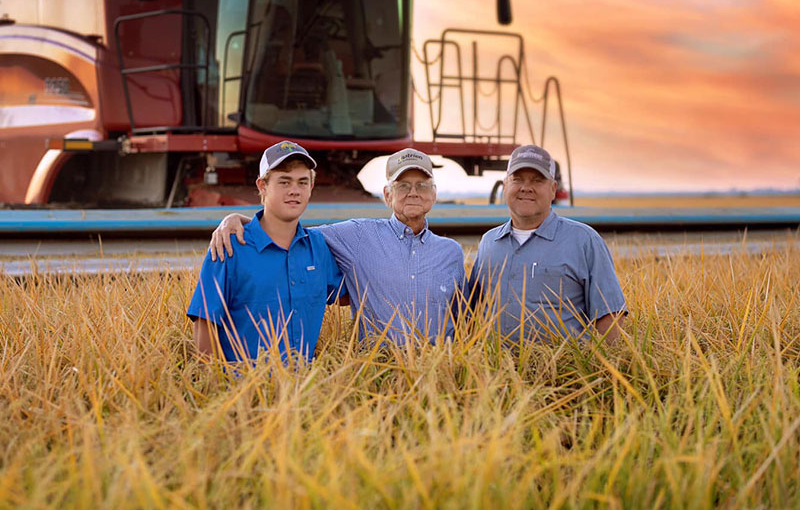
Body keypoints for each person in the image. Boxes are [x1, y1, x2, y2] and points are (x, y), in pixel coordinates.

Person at [209, 148, 465, 344]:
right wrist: (239, 220)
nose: (413, 192)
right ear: (387, 195)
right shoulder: (358, 235)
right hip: (377, 376)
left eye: (422, 185)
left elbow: (463, 322)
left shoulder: (451, 253)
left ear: (434, 194)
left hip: (439, 376)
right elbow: (290, 233)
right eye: (403, 186)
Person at [188, 140, 345, 364]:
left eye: (302, 182)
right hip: (244, 390)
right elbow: (205, 322)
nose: (294, 190)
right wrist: (213, 385)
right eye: (284, 181)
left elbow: (349, 295)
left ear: (311, 188)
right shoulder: (230, 247)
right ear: (262, 186)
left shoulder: (318, 246)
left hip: (305, 392)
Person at [469, 144, 626, 344]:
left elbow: (610, 315)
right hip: (496, 373)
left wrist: (608, 369)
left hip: (561, 371)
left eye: (537, 180)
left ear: (553, 189)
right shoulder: (489, 242)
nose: (526, 187)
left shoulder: (584, 241)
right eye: (517, 179)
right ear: (505, 185)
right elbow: (473, 312)